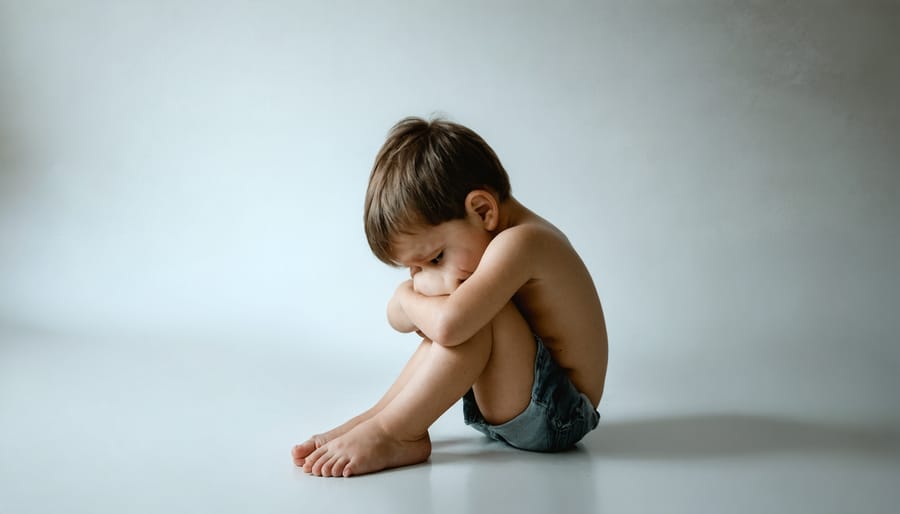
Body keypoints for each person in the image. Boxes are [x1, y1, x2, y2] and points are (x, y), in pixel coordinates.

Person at [291, 116, 608, 477]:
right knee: (460, 316)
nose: (426, 277)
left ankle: (394, 432)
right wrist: (413, 296)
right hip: (525, 400)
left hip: (560, 414)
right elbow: (395, 317)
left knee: (467, 320)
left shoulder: (522, 242)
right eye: (414, 270)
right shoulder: (491, 243)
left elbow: (445, 323)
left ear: (483, 211)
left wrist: (407, 295)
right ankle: (376, 418)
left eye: (435, 258)